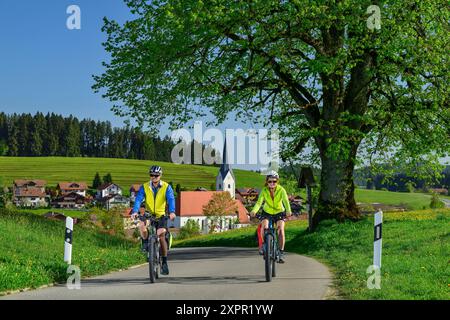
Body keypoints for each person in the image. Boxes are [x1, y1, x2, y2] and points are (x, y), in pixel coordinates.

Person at [131, 165, 176, 275]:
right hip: (149, 215)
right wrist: (135, 211)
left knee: (161, 234)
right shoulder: (145, 187)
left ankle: (164, 261)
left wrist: (172, 211)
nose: (154, 177)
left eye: (156, 175)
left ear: (160, 175)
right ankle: (146, 243)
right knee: (141, 225)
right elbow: (138, 199)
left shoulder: (166, 187)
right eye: (152, 175)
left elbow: (171, 199)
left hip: (161, 216)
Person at [249, 171, 292, 263]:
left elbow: (286, 201)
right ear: (267, 182)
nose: (272, 183)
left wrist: (288, 211)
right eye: (270, 181)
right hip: (267, 212)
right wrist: (254, 211)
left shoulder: (281, 190)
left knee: (280, 229)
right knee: (264, 227)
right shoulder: (264, 190)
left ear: (277, 182)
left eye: (274, 181)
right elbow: (259, 202)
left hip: (279, 212)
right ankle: (265, 245)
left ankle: (281, 253)